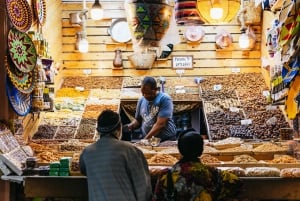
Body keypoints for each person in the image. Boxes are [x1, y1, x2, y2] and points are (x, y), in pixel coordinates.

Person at [79, 109, 152, 201]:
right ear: (119, 129)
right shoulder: (131, 151)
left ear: (98, 131)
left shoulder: (87, 153)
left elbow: (83, 171)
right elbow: (143, 186)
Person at [152, 129, 243, 201]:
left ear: (180, 150)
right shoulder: (211, 173)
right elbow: (237, 182)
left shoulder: (167, 175)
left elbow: (157, 198)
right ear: (201, 151)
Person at [126, 76, 176, 142]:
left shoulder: (164, 99)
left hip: (165, 139)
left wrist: (145, 140)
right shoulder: (141, 99)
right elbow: (138, 120)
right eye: (143, 93)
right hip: (149, 140)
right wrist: (129, 126)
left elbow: (160, 124)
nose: (145, 95)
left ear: (156, 89)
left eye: (147, 93)